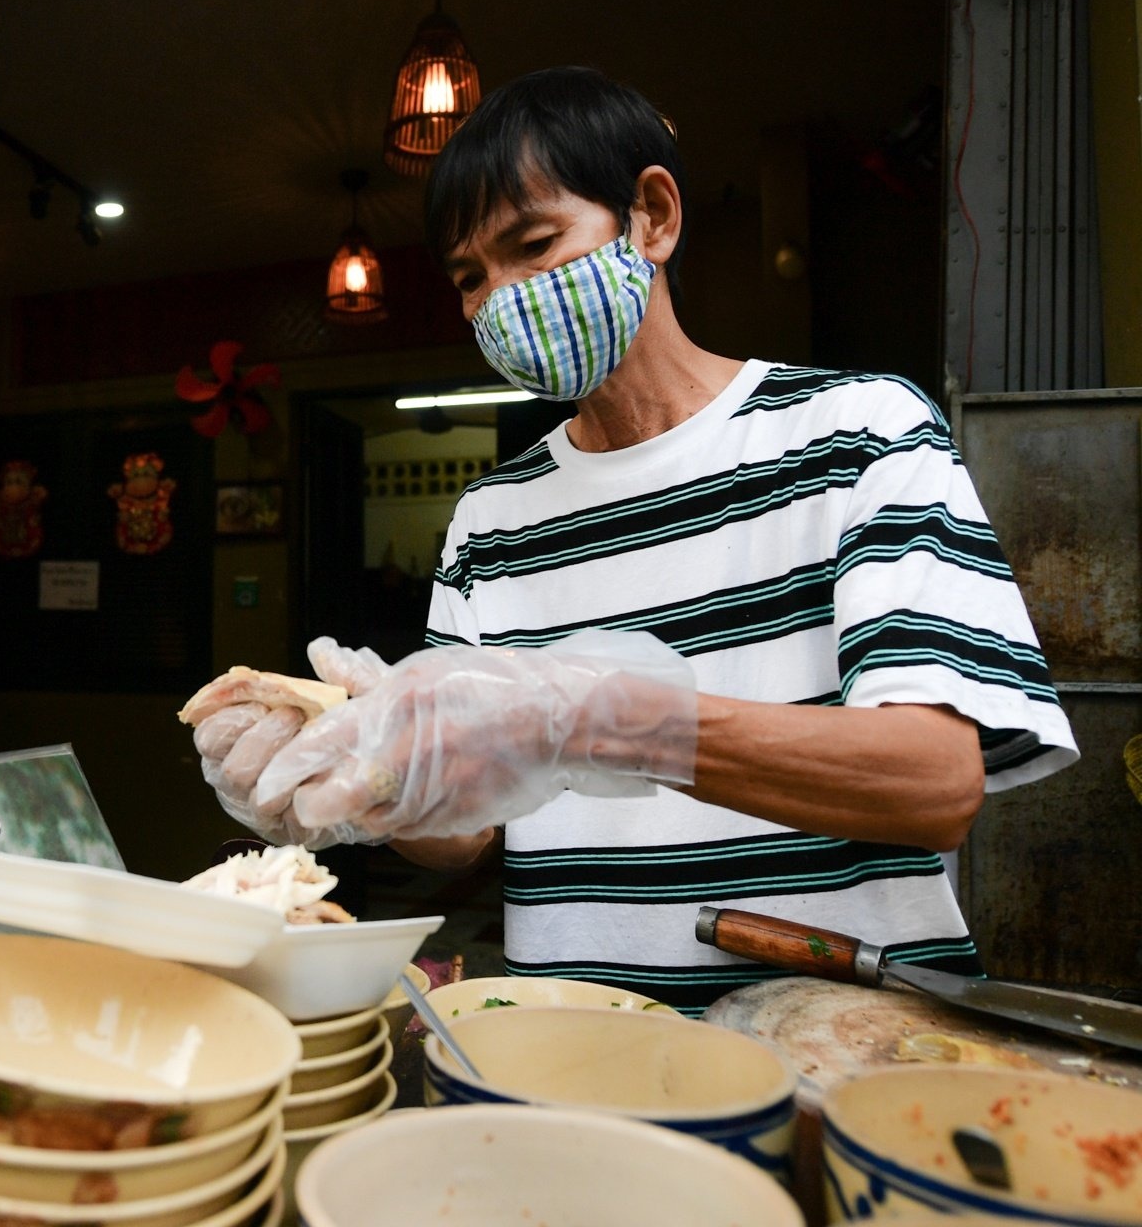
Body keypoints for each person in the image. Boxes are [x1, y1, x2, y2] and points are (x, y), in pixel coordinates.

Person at [196, 67, 1077, 1016]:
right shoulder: (494, 517)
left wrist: (595, 717)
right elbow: (463, 837)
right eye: (469, 278)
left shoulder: (859, 433)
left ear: (652, 217)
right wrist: (370, 777)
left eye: (532, 245)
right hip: (574, 1050)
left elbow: (933, 782)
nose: (501, 298)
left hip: (850, 1055)